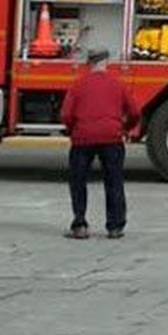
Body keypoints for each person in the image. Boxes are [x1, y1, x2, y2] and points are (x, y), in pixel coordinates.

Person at [60, 48, 137, 239]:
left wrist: (72, 130)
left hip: (83, 138)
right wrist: (125, 129)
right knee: (114, 181)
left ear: (89, 63)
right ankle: (115, 226)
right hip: (112, 137)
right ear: (106, 62)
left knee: (78, 181)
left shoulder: (78, 85)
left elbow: (66, 114)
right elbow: (135, 112)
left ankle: (80, 224)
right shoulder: (118, 84)